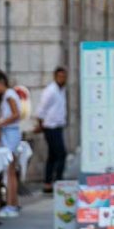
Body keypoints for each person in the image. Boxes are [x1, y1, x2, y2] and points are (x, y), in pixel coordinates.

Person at [0, 71, 22, 217]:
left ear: (1, 82)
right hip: (10, 133)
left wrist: (0, 123)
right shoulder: (9, 95)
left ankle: (10, 204)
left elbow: (16, 114)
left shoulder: (9, 95)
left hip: (10, 133)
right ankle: (13, 203)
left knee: (9, 171)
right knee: (11, 171)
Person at [35, 66, 68, 194]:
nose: (62, 79)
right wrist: (41, 124)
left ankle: (48, 182)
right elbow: (41, 109)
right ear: (55, 77)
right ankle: (58, 181)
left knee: (53, 156)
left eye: (64, 77)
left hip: (58, 126)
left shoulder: (62, 90)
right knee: (61, 154)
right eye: (60, 77)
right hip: (50, 127)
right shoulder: (50, 91)